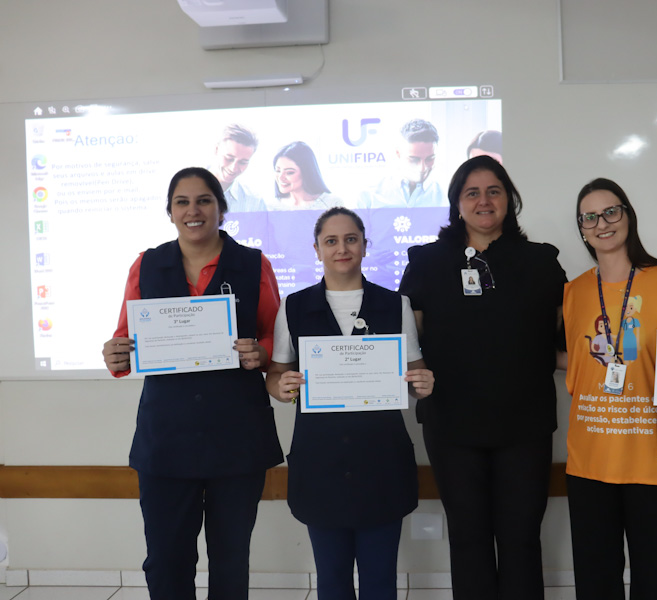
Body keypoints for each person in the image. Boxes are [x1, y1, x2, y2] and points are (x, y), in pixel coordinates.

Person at [101, 167, 283, 600]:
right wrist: (115, 354)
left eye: (204, 200)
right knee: (166, 559)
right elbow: (126, 339)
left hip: (237, 436)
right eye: (181, 202)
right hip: (166, 439)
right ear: (169, 212)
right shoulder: (146, 265)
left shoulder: (254, 264)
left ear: (221, 208)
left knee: (231, 559)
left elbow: (276, 339)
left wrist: (260, 354)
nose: (193, 210)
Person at [399, 155, 567, 599]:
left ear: (509, 199)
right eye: (471, 193)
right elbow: (406, 342)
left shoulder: (541, 261)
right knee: (468, 538)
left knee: (521, 539)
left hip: (525, 425)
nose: (484, 201)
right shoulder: (427, 261)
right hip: (452, 425)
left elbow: (566, 340)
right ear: (457, 203)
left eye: (494, 191)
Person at [265, 207, 434, 600]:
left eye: (351, 239)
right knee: (332, 582)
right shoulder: (293, 306)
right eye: (331, 241)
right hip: (320, 464)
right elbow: (276, 375)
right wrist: (282, 387)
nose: (342, 248)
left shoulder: (396, 305)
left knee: (380, 582)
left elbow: (414, 374)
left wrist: (422, 384)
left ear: (364, 245)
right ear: (317, 249)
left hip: (381, 463)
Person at [562, 178, 657, 600]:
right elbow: (574, 361)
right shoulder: (575, 292)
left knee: (656, 581)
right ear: (582, 229)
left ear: (628, 216)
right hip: (590, 459)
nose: (602, 223)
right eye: (589, 217)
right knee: (595, 582)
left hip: (656, 456)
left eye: (611, 212)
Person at [358, 118, 444, 208]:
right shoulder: (369, 194)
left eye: (429, 159)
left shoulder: (443, 195)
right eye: (414, 159)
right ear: (398, 154)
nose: (422, 168)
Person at [268, 141, 342, 210]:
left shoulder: (331, 203)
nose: (281, 177)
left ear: (306, 172)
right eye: (278, 171)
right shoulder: (271, 207)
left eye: (289, 172)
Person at [211, 123, 268, 212]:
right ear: (216, 150)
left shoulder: (255, 203)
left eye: (242, 162)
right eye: (229, 158)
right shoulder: (187, 187)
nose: (233, 168)